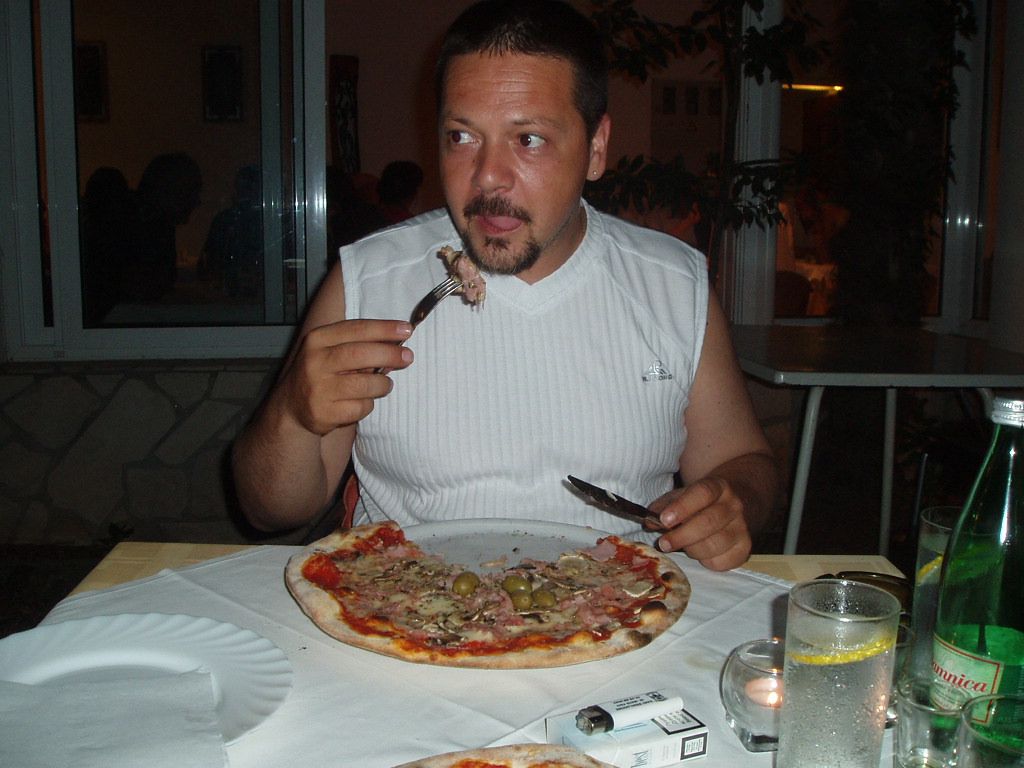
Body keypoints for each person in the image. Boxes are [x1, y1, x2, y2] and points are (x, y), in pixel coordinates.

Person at [232, 0, 778, 571]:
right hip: (402, 611)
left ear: (596, 148)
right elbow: (269, 510)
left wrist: (734, 500)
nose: (488, 177)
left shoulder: (674, 285)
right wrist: (292, 416)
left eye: (529, 139)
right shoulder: (366, 280)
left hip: (624, 608)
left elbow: (743, 460)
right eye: (462, 136)